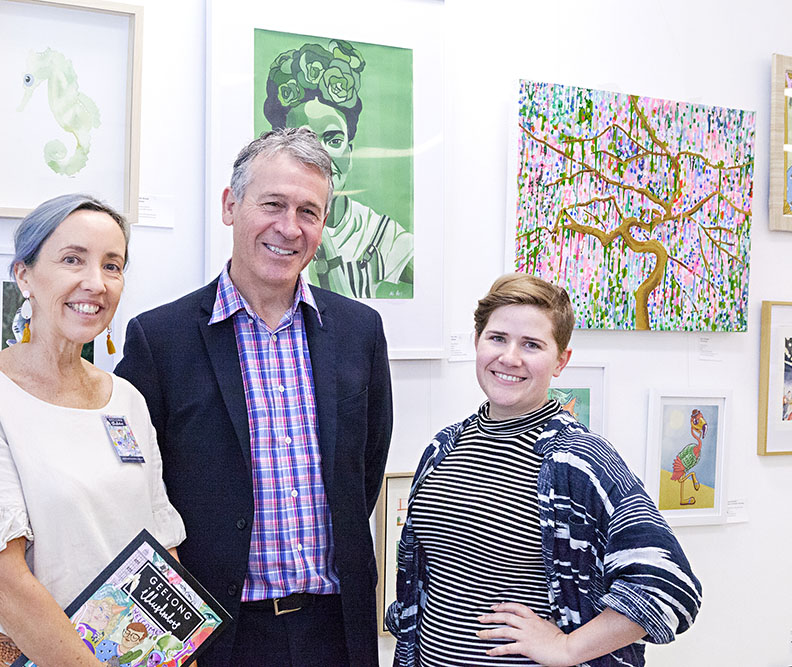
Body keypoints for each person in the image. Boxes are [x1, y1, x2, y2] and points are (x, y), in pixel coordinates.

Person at [115, 127, 392, 666]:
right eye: (273, 204)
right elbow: (136, 490)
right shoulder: (161, 338)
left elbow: (364, 473)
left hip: (336, 628)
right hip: (218, 635)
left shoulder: (361, 331)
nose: (289, 228)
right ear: (230, 205)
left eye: (309, 212)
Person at [0, 194, 185, 667]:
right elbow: (4, 585)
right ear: (25, 275)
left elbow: (160, 550)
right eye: (72, 260)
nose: (96, 283)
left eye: (113, 265)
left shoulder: (126, 400)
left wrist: (176, 652)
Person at [386, 274, 701, 667]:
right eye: (497, 338)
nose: (510, 357)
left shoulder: (578, 459)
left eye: (532, 345)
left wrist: (566, 648)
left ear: (560, 361)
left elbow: (669, 587)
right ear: (477, 342)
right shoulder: (442, 448)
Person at [263, 38, 414, 299]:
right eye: (306, 140)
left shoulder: (382, 235)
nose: (322, 156)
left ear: (350, 153)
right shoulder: (270, 232)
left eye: (334, 140)